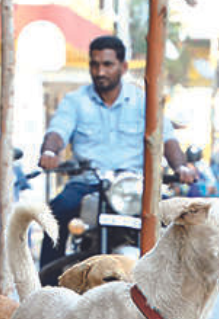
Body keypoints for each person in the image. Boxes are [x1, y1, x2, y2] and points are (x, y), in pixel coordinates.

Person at [37, 35, 199, 266]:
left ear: (123, 67)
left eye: (107, 65)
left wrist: (181, 167)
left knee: (176, 221)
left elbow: (167, 139)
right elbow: (57, 131)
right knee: (56, 212)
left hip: (134, 186)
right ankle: (45, 287)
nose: (100, 71)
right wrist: (50, 152)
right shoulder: (76, 101)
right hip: (87, 183)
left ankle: (174, 290)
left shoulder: (144, 101)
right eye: (95, 64)